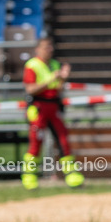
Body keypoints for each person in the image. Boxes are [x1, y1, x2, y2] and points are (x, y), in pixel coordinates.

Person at [20, 38, 84, 190]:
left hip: (53, 107)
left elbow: (58, 89)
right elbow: (30, 89)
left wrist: (63, 78)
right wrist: (51, 79)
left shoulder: (55, 65)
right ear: (38, 49)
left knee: (63, 139)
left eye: (50, 47)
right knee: (36, 142)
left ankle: (71, 176)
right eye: (45, 47)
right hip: (38, 107)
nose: (49, 50)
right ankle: (29, 177)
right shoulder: (32, 65)